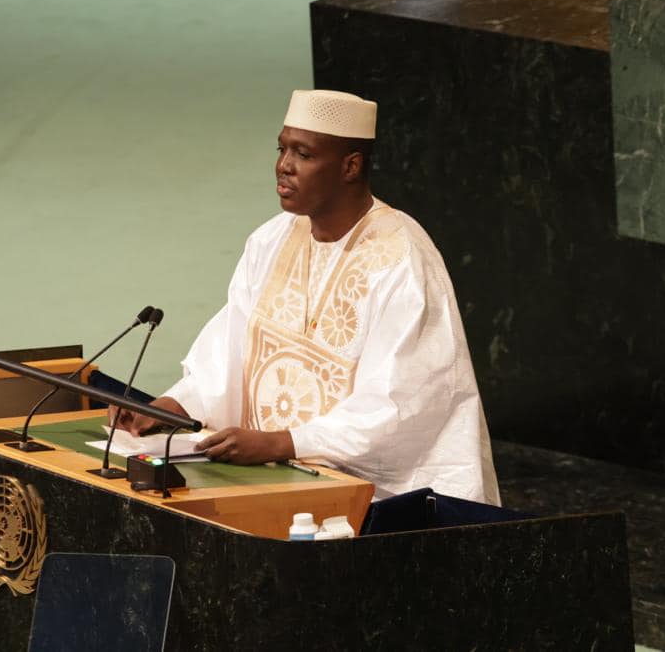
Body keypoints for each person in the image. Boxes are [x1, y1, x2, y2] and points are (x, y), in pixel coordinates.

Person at [113, 90, 500, 504]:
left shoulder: (400, 258)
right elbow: (231, 349)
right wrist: (173, 406)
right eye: (282, 149)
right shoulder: (272, 239)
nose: (284, 166)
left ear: (350, 166)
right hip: (263, 480)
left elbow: (400, 402)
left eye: (304, 154)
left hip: (374, 503)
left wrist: (284, 443)